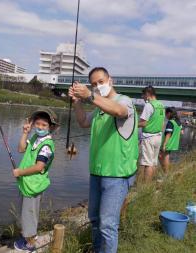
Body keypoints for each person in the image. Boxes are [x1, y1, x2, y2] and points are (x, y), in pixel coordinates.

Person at [69, 67, 138, 253]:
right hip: (97, 172)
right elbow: (83, 122)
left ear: (110, 80)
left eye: (101, 81)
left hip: (117, 174)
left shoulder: (124, 101)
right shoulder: (100, 109)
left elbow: (119, 111)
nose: (98, 86)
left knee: (108, 225)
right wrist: (77, 102)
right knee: (95, 220)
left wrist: (90, 96)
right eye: (93, 84)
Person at [13, 109, 59, 252]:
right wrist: (25, 132)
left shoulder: (46, 145)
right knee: (26, 213)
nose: (39, 127)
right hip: (27, 184)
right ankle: (28, 237)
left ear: (50, 127)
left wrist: (20, 172)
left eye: (44, 125)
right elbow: (21, 149)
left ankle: (30, 245)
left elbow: (39, 167)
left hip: (33, 185)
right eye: (37, 124)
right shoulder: (34, 138)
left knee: (29, 215)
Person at [138, 86, 165, 182]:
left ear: (148, 94)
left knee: (147, 163)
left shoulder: (149, 105)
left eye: (143, 95)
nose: (142, 97)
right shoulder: (161, 105)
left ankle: (146, 187)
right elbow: (162, 124)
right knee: (153, 162)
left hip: (148, 137)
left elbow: (143, 123)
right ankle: (149, 186)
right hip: (158, 137)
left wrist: (132, 125)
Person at [159, 107, 183, 172]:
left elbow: (168, 134)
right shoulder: (178, 122)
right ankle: (165, 172)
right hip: (174, 143)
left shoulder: (170, 122)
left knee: (164, 157)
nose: (165, 115)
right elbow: (181, 132)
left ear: (169, 113)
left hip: (168, 143)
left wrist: (164, 145)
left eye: (165, 114)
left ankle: (166, 173)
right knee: (161, 156)